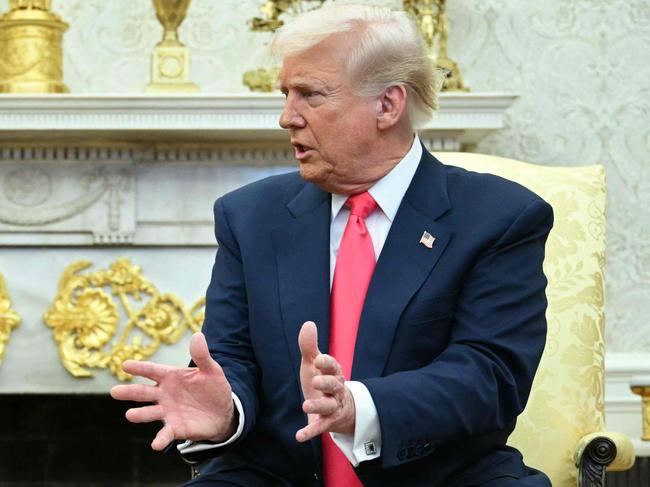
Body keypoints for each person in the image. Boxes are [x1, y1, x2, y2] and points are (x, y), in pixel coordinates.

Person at [111, 4, 554, 486]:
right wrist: (228, 411)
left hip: (442, 475)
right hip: (277, 476)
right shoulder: (249, 217)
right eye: (285, 94)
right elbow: (231, 357)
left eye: (309, 95)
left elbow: (490, 375)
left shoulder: (498, 217)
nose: (286, 117)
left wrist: (358, 407)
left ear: (388, 105)